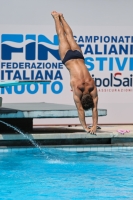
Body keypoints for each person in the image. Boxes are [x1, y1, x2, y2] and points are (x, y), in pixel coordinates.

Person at [51, 11, 98, 134]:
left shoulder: (92, 86)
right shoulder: (77, 89)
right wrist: (86, 127)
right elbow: (81, 110)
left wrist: (94, 125)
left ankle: (62, 17)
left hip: (79, 56)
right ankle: (56, 18)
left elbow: (95, 108)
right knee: (61, 35)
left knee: (70, 35)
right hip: (68, 59)